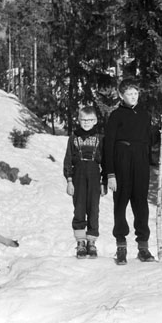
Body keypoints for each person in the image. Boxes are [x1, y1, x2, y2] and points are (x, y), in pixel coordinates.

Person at [104, 78, 161, 265]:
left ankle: (143, 248)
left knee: (141, 205)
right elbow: (108, 146)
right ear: (121, 95)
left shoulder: (144, 115)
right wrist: (110, 174)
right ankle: (121, 247)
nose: (133, 97)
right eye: (129, 94)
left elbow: (151, 139)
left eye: (136, 93)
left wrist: (161, 128)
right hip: (121, 162)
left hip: (140, 163)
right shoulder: (116, 116)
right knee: (120, 204)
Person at [63, 106, 107, 259]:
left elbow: (106, 162)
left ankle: (91, 241)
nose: (86, 123)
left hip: (94, 174)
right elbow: (68, 160)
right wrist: (69, 180)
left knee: (93, 209)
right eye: (83, 120)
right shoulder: (74, 137)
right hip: (78, 174)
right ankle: (81, 241)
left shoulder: (100, 138)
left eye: (89, 120)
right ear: (79, 120)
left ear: (95, 121)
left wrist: (104, 181)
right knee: (79, 208)